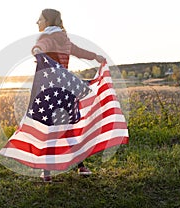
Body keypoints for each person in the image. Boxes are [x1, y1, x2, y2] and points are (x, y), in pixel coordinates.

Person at [32, 8, 106, 182]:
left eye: (40, 19)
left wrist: (36, 49)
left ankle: (47, 172)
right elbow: (78, 51)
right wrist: (96, 56)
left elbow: (41, 47)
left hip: (50, 91)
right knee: (68, 127)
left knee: (49, 128)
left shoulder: (48, 37)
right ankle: (81, 166)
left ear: (48, 21)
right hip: (66, 90)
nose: (37, 22)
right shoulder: (63, 38)